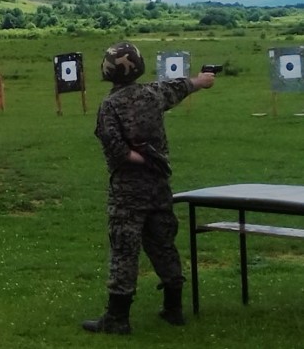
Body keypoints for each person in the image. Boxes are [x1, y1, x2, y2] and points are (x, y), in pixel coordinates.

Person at [82, 41, 216, 335]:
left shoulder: (110, 106)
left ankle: (117, 318)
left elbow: (116, 150)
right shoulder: (153, 93)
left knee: (124, 250)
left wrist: (137, 158)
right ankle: (173, 309)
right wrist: (202, 81)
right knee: (163, 244)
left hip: (128, 190)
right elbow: (180, 86)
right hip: (158, 185)